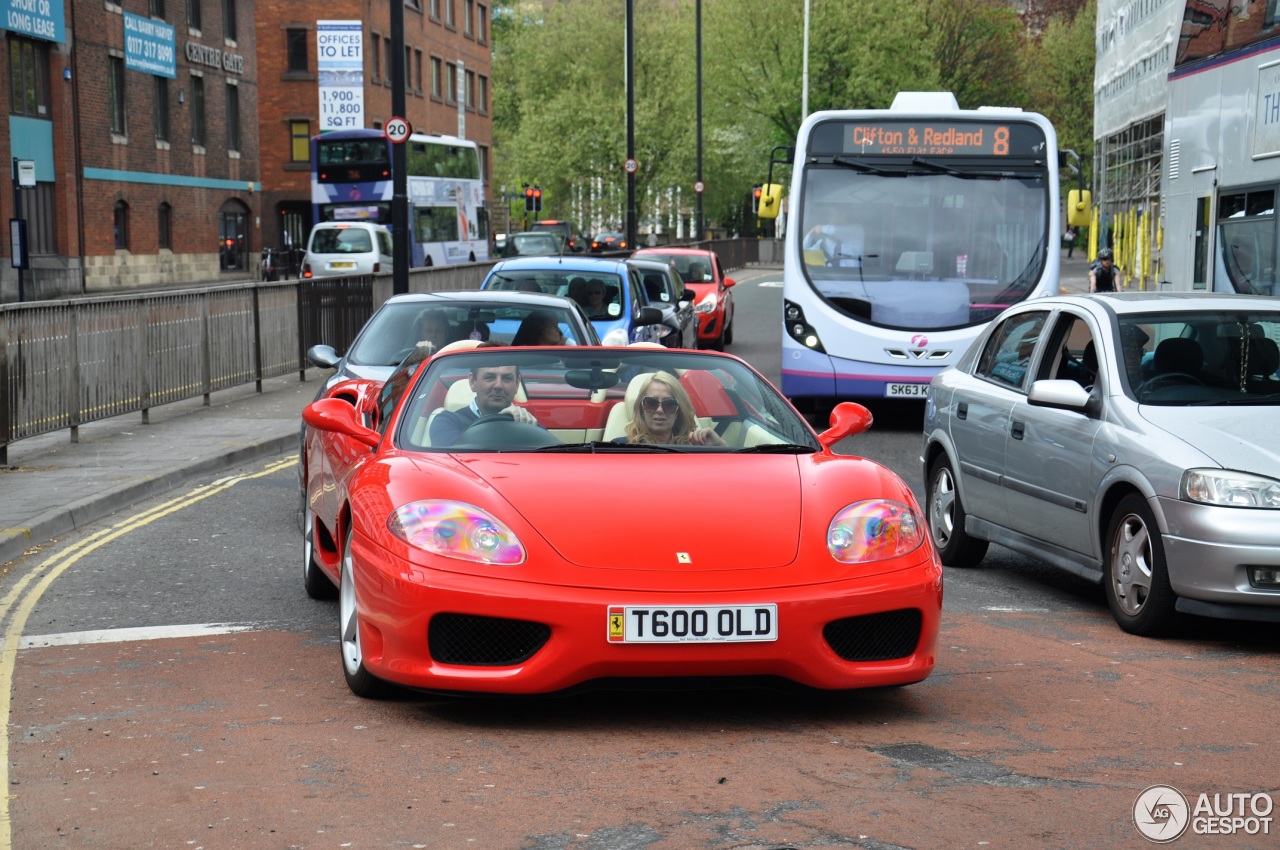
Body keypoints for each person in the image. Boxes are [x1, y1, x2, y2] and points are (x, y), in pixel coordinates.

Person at [428, 361, 540, 446]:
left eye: (506, 378)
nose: (498, 386)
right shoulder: (447, 422)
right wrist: (499, 421)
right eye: (489, 377)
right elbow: (450, 461)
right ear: (472, 382)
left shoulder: (527, 423)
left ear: (517, 384)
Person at [618, 371, 725, 446]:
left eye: (669, 404)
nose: (659, 410)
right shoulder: (621, 448)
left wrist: (717, 446)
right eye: (651, 402)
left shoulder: (694, 448)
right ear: (642, 409)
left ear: (678, 412)